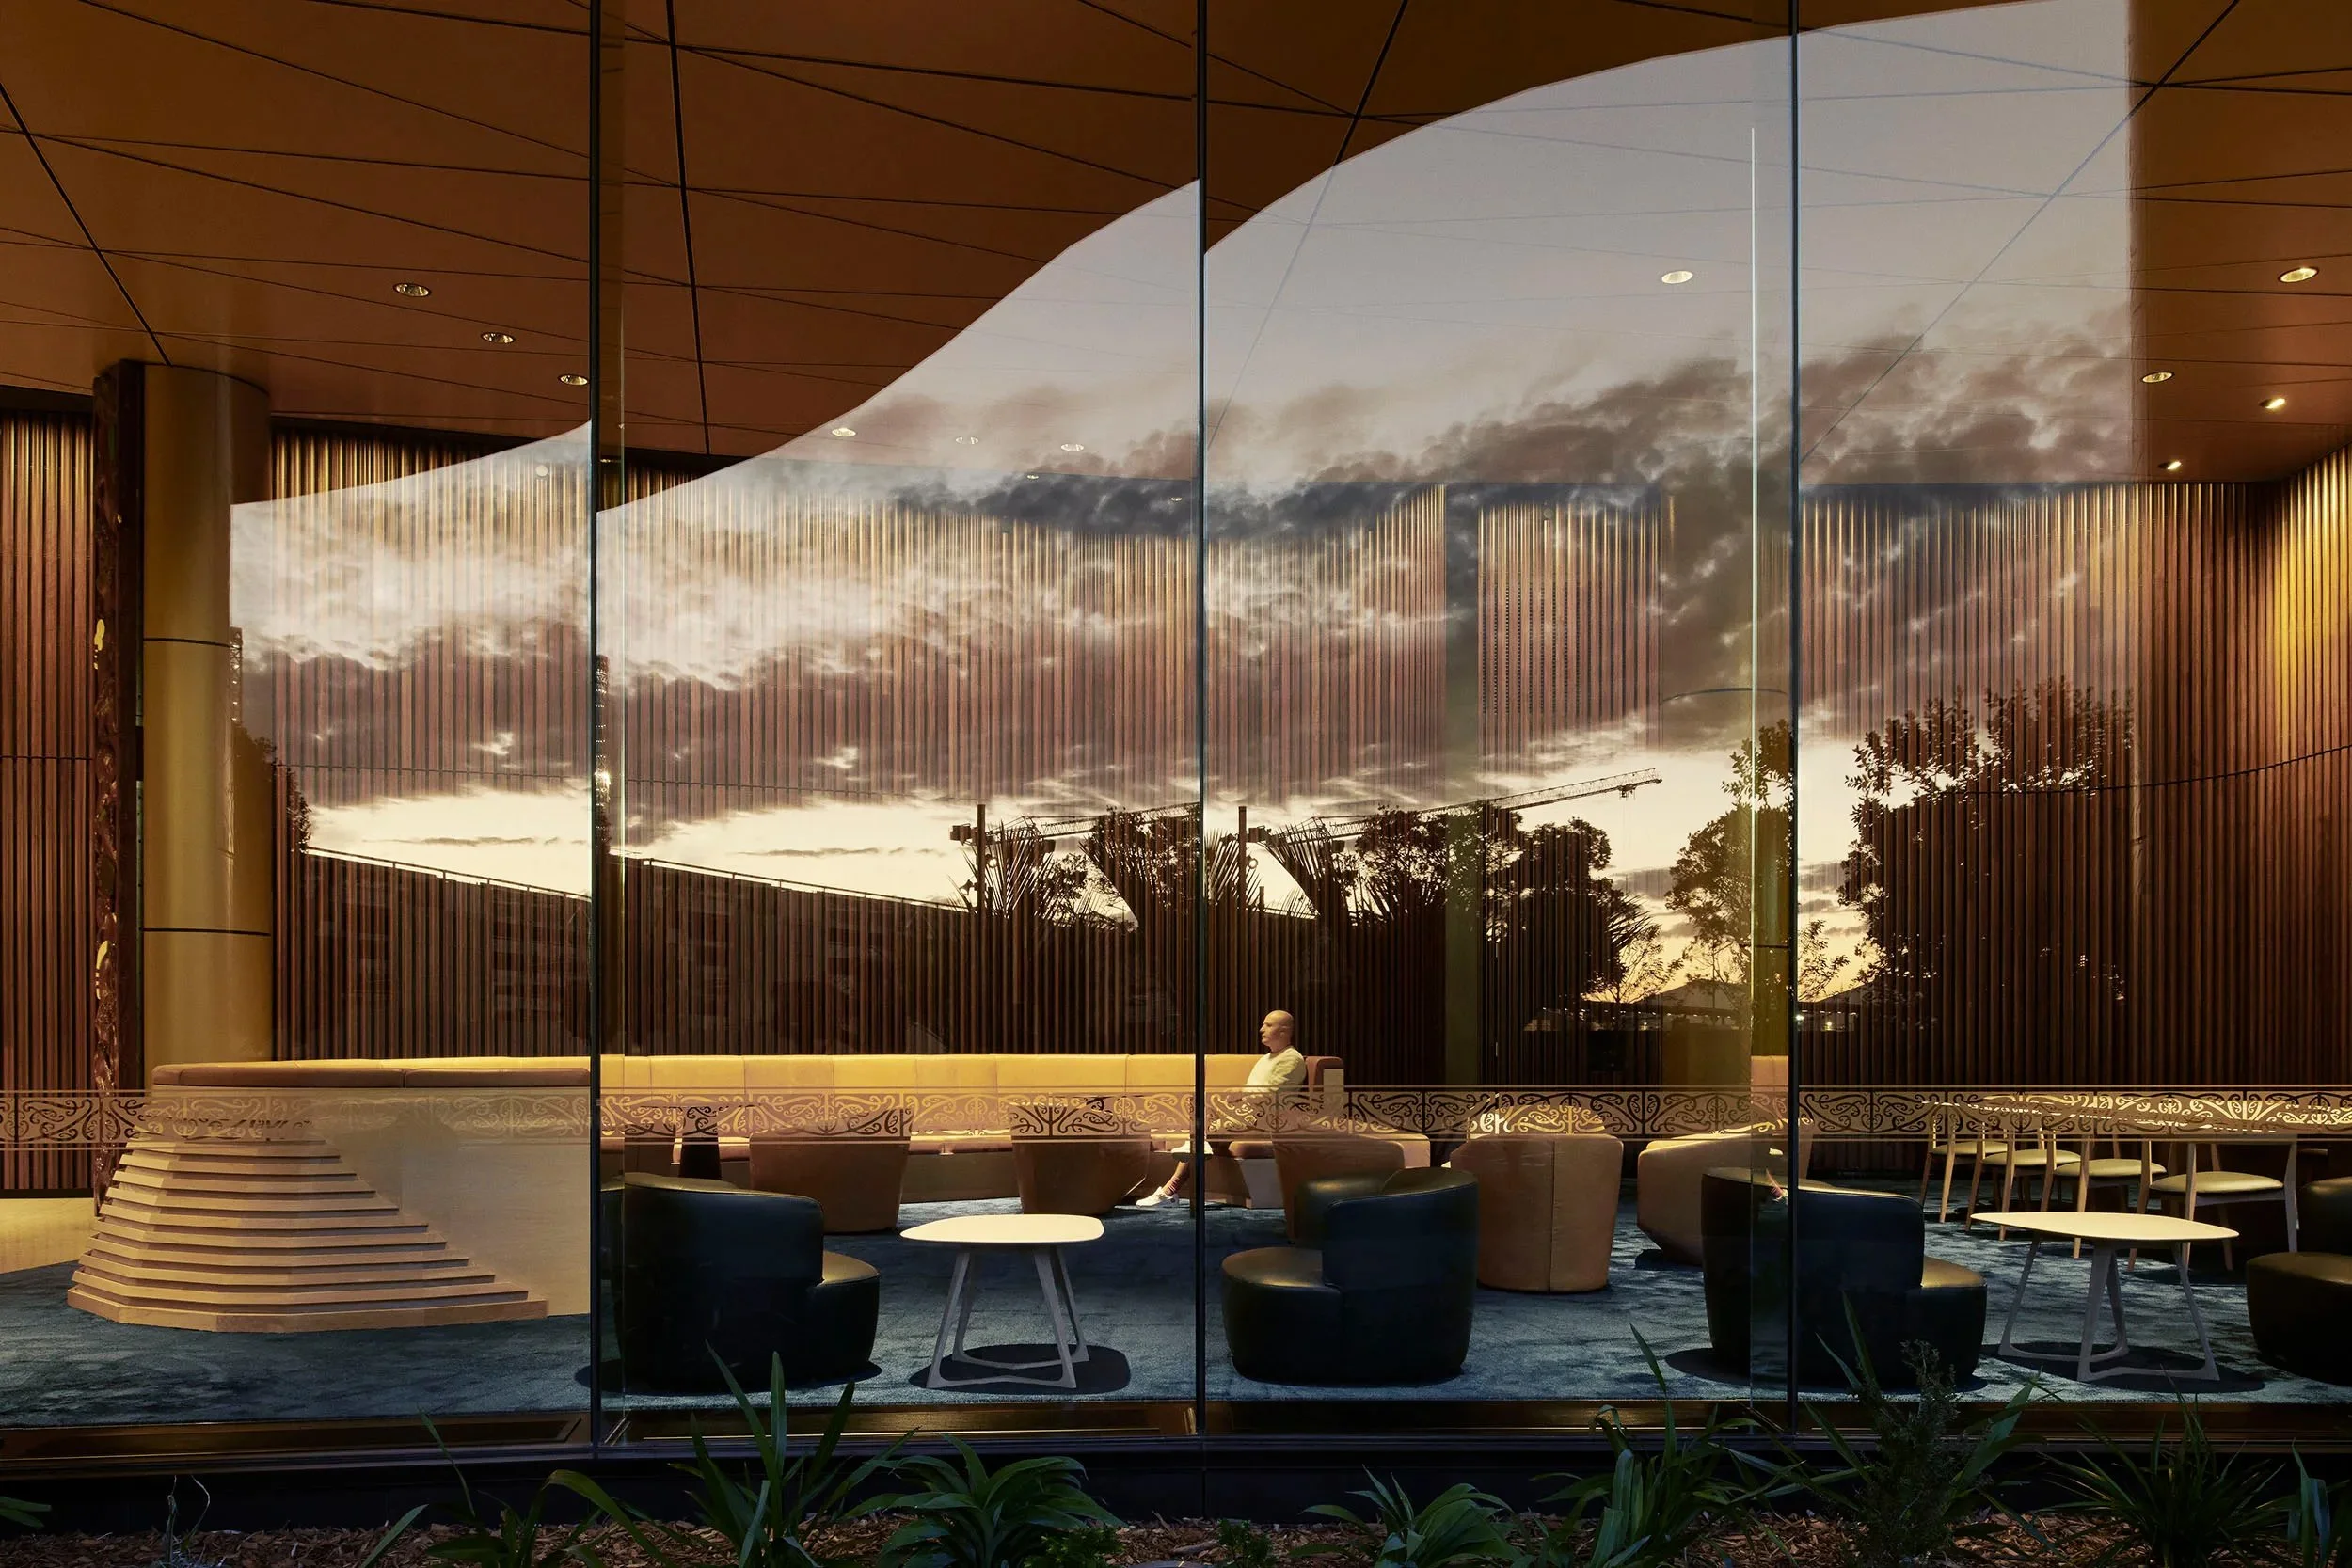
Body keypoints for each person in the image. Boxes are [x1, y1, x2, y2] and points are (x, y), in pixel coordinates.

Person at [1136, 1009, 1305, 1207]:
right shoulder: (1266, 1058)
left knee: (1201, 1132)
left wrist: (1238, 1094)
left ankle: (1171, 1188)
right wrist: (1234, 1098)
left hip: (1268, 1121)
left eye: (1268, 1025)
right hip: (1250, 1115)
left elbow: (1268, 1096)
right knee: (1202, 1123)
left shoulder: (1291, 1059)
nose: (1261, 1029)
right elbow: (1256, 1092)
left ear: (1284, 1031)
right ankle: (1175, 1183)